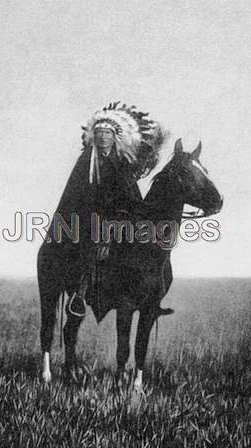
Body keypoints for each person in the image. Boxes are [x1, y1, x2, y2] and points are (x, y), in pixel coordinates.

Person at [51, 102, 168, 318]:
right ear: (93, 137)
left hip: (119, 218)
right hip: (89, 218)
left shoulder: (122, 163)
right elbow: (76, 195)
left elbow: (131, 195)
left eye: (107, 133)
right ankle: (80, 293)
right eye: (99, 133)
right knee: (92, 246)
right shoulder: (86, 161)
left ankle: (149, 291)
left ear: (115, 138)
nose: (103, 137)